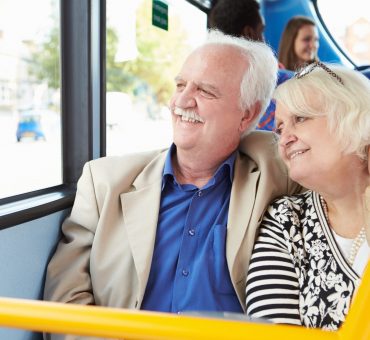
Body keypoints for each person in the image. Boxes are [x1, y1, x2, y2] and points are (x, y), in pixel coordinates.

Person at [43, 30, 301, 339]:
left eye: (205, 91)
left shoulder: (277, 175)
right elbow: (64, 305)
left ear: (248, 114)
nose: (180, 100)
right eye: (180, 85)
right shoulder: (106, 183)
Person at [245, 61, 370, 330]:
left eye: (300, 118)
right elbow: (271, 333)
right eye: (278, 129)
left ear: (352, 117)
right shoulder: (287, 219)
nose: (285, 138)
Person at [209, 0, 294, 131]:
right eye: (261, 31)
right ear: (249, 33)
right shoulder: (289, 83)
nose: (264, 40)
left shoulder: (206, 93)